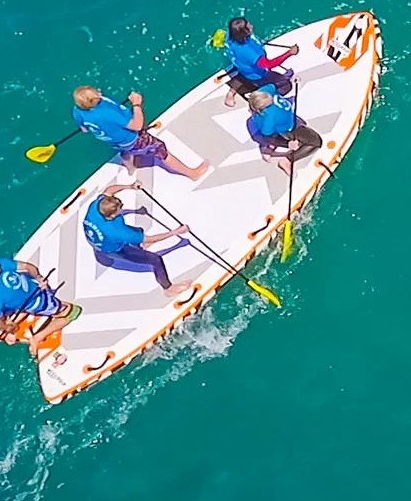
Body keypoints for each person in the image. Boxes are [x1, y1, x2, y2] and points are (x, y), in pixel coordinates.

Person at [71, 86, 208, 182]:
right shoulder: (107, 113)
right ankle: (192, 174)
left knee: (125, 151)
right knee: (161, 149)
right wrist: (137, 104)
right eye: (97, 95)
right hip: (133, 139)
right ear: (93, 101)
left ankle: (131, 167)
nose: (99, 93)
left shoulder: (77, 111)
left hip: (115, 142)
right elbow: (137, 125)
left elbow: (84, 129)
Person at [82, 182, 193, 298]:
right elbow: (151, 238)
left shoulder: (95, 206)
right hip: (115, 250)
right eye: (120, 209)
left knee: (138, 231)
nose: (122, 210)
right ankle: (168, 288)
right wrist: (176, 232)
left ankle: (104, 258)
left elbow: (109, 190)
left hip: (96, 241)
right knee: (156, 259)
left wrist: (130, 186)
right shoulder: (119, 231)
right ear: (113, 216)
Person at [0, 256, 80, 349]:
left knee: (6, 310)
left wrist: (39, 278)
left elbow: (27, 267)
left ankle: (12, 319)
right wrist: (5, 327)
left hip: (28, 291)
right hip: (36, 301)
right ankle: (37, 338)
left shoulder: (1, 264)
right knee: (73, 311)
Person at [221, 17, 300, 107]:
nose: (252, 25)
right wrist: (289, 53)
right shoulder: (249, 52)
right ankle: (268, 99)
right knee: (285, 86)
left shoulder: (231, 36)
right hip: (258, 75)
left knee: (244, 76)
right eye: (248, 26)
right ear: (244, 32)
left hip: (242, 67)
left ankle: (233, 91)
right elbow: (268, 64)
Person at [244, 89, 322, 174]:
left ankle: (271, 146)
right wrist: (286, 143)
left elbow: (273, 86)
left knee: (303, 123)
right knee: (316, 142)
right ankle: (287, 160)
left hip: (291, 118)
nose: (273, 99)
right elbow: (267, 137)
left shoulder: (267, 90)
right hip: (289, 128)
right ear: (262, 108)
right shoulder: (268, 120)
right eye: (270, 103)